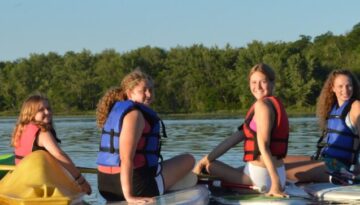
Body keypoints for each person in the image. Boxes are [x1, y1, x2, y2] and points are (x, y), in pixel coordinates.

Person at [96, 69, 196, 203]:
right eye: (143, 90)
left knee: (167, 167)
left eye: (151, 90)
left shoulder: (117, 111)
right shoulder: (135, 115)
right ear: (129, 92)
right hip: (134, 188)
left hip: (106, 186)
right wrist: (129, 197)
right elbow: (126, 158)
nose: (149, 94)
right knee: (188, 159)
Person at [193, 63, 289, 197]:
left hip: (262, 181)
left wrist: (275, 184)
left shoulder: (262, 106)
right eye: (254, 82)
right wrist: (203, 160)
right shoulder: (272, 104)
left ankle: (216, 188)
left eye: (263, 82)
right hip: (277, 174)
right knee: (209, 163)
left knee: (210, 167)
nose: (258, 87)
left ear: (272, 84)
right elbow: (232, 140)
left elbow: (264, 147)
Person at [284, 69, 360, 184]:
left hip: (338, 166)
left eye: (349, 86)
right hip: (322, 159)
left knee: (284, 169)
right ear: (333, 88)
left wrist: (358, 169)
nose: (345, 90)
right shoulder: (333, 108)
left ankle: (340, 177)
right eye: (340, 86)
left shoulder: (355, 106)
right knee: (277, 160)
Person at [10, 93, 92, 194]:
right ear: (30, 113)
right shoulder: (42, 132)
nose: (47, 112)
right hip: (38, 183)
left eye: (48, 108)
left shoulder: (21, 129)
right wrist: (81, 181)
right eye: (41, 110)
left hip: (21, 180)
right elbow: (59, 155)